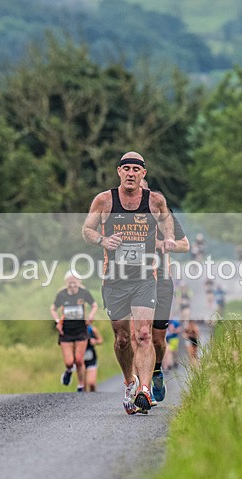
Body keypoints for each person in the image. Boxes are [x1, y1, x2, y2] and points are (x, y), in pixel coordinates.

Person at [82, 151, 175, 414]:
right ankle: (130, 382)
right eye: (127, 169)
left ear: (143, 173)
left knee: (143, 334)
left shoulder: (155, 200)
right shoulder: (104, 200)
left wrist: (168, 238)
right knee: (122, 339)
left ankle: (144, 389)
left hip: (145, 278)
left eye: (136, 169)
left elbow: (167, 221)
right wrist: (103, 240)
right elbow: (87, 230)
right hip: (114, 281)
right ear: (119, 172)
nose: (131, 173)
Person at [140, 178, 189, 405]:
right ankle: (141, 390)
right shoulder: (122, 216)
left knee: (158, 339)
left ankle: (157, 370)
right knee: (140, 335)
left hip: (161, 282)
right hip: (133, 281)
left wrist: (164, 244)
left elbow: (185, 245)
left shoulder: (164, 215)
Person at [50, 272, 97, 392]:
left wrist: (91, 316)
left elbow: (94, 305)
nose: (72, 284)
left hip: (81, 329)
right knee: (69, 362)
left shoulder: (84, 293)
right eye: (70, 282)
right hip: (66, 331)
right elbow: (53, 309)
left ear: (79, 282)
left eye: (74, 282)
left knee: (79, 360)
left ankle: (81, 386)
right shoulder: (61, 294)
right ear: (66, 282)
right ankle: (69, 371)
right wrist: (57, 321)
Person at [83, 323, 103, 392]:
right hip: (80, 359)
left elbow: (100, 340)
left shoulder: (92, 329)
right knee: (83, 386)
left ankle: (94, 395)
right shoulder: (76, 330)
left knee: (91, 383)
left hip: (91, 357)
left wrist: (95, 341)